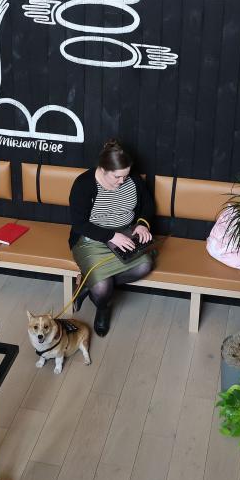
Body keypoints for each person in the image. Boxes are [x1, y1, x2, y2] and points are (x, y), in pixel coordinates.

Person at [69, 139, 155, 336]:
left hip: (125, 234)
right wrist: (110, 235)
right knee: (101, 290)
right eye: (117, 177)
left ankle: (86, 285)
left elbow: (148, 205)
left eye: (125, 176)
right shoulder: (83, 184)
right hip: (92, 239)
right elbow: (79, 223)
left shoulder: (132, 179)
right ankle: (102, 307)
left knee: (145, 266)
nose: (122, 181)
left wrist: (142, 224)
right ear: (102, 169)